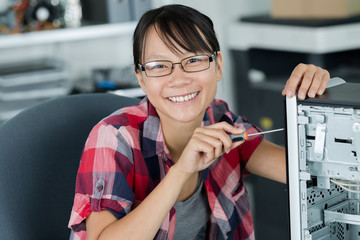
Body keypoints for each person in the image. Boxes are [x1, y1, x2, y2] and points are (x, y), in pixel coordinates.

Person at [68, 4, 330, 240]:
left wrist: (318, 100)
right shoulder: (112, 137)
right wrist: (181, 170)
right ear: (141, 77)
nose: (178, 78)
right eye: (159, 65)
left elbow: (311, 172)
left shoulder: (219, 118)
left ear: (218, 66)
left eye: (193, 60)